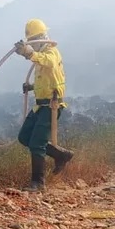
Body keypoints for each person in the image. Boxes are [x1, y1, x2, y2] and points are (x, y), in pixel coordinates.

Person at [13, 18, 73, 191]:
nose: (32, 44)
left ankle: (38, 183)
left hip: (51, 106)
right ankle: (61, 155)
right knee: (24, 137)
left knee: (37, 144)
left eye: (33, 40)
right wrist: (31, 87)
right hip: (40, 106)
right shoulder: (40, 57)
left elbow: (49, 62)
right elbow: (47, 80)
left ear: (41, 37)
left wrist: (29, 53)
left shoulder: (52, 52)